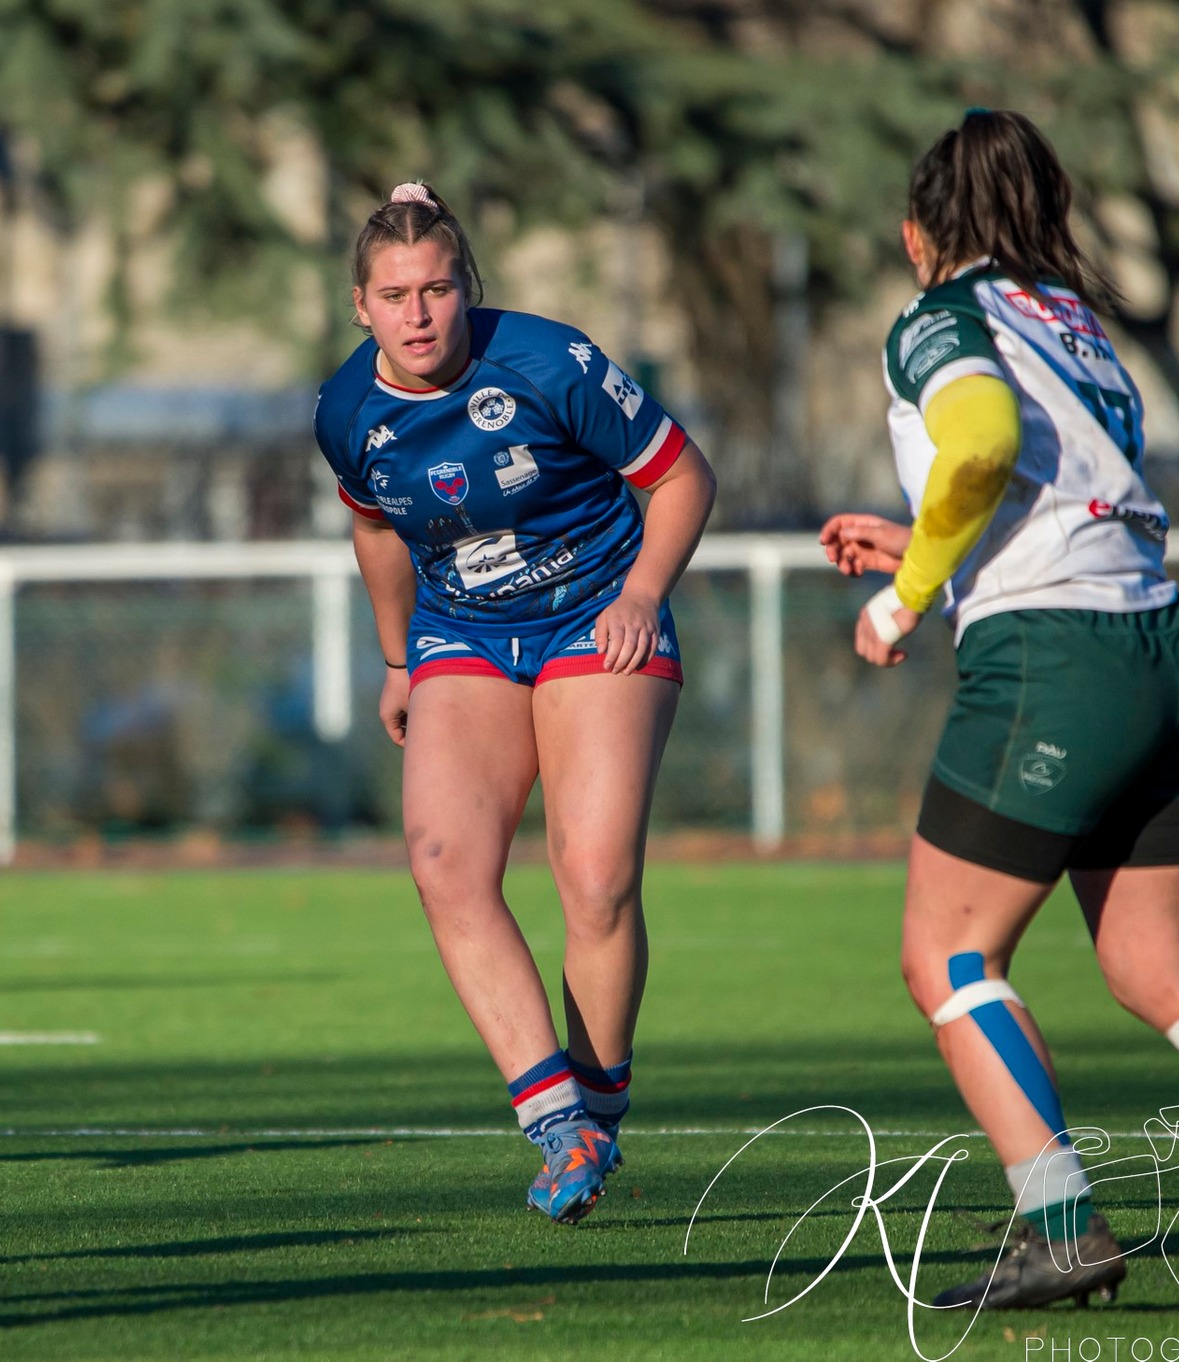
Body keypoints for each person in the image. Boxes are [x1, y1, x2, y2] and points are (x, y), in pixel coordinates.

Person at [821, 109, 1179, 1310]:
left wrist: (903, 596)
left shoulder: (936, 317)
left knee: (948, 959)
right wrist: (927, 547)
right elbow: (1064, 494)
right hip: (1165, 651)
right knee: (1161, 968)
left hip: (1058, 660)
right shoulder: (1071, 322)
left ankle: (1061, 1230)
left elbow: (981, 445)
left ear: (915, 233)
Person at [316, 182, 716, 1224]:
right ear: (359, 306)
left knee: (595, 879)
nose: (417, 315)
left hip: (596, 613)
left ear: (469, 288)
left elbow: (681, 477)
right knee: (443, 864)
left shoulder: (547, 362)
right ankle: (557, 1124)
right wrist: (396, 661)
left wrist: (642, 594)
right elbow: (374, 527)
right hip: (463, 632)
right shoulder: (344, 411)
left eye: (437, 289)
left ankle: (600, 1103)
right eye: (393, 295)